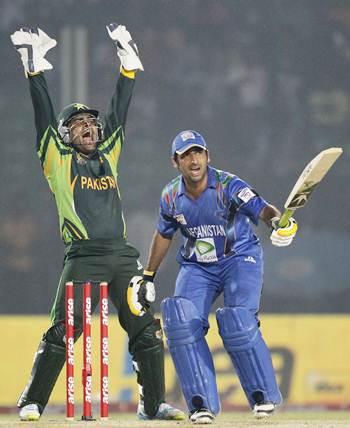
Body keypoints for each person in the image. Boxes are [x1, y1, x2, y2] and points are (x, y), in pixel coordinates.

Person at [10, 25, 185, 422]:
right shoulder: (56, 159)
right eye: (79, 125)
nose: (89, 128)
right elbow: (41, 116)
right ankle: (33, 401)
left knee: (146, 330)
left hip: (123, 258)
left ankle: (153, 404)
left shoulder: (109, 153)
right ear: (64, 135)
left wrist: (128, 68)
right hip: (84, 257)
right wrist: (34, 71)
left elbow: (119, 110)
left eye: (92, 122)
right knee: (63, 332)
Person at [127, 130, 298, 424]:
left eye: (198, 153)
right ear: (175, 162)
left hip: (239, 259)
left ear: (208, 156)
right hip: (197, 267)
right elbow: (164, 233)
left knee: (237, 321)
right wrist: (148, 276)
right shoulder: (170, 195)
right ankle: (200, 404)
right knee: (180, 321)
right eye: (186, 155)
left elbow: (262, 208)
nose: (194, 160)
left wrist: (278, 224)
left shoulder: (229, 185)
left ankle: (262, 396)